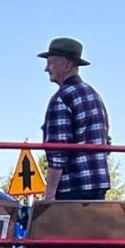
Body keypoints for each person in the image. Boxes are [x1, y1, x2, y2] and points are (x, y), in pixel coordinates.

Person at [38, 38, 111, 202]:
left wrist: (49, 195)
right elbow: (106, 142)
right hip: (98, 183)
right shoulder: (93, 95)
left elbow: (58, 151)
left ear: (67, 65)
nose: (46, 69)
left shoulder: (62, 98)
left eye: (50, 63)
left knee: (64, 228)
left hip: (73, 186)